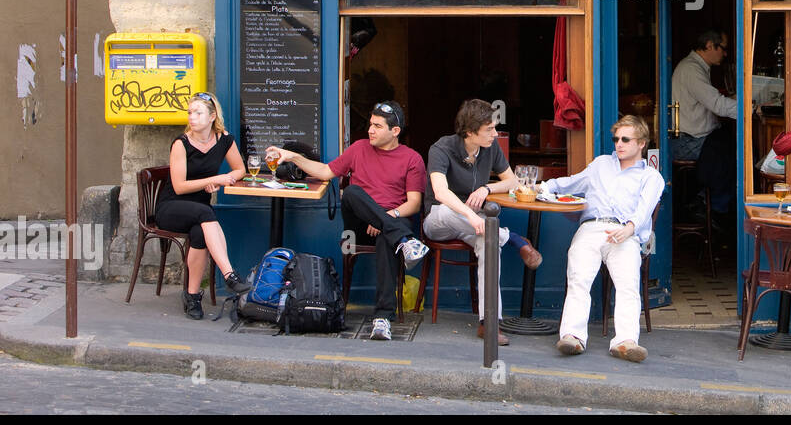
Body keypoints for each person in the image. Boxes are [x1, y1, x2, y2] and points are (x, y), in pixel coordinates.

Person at [267, 101, 429, 342]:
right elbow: (325, 172)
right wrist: (292, 156)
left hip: (394, 220)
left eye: (377, 126)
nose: (370, 130)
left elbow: (414, 204)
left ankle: (383, 318)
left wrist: (385, 218)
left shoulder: (412, 158)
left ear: (395, 131)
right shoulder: (359, 148)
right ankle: (406, 242)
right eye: (370, 124)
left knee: (387, 237)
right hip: (360, 225)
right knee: (352, 192)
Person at [423, 98, 542, 346]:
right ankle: (514, 238)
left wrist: (486, 188)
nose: (495, 134)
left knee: (489, 243)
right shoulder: (441, 148)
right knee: (447, 210)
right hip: (438, 221)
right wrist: (469, 215)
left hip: (473, 223)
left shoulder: (490, 147)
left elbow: (512, 182)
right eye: (489, 129)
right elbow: (441, 192)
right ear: (469, 132)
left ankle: (488, 323)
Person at [548, 115, 664, 363]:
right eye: (616, 139)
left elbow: (644, 210)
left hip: (624, 233)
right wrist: (541, 187)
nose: (618, 144)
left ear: (641, 143)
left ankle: (625, 341)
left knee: (628, 284)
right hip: (592, 228)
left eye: (625, 139)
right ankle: (572, 337)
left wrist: (630, 229)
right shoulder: (601, 164)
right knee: (579, 279)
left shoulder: (651, 177)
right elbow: (570, 184)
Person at [161, 93, 253, 320]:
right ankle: (230, 275)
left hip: (198, 212)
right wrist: (214, 180)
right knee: (207, 213)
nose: (192, 117)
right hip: (171, 207)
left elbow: (241, 170)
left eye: (198, 113)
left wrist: (226, 177)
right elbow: (180, 186)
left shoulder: (224, 139)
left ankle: (191, 296)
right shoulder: (181, 144)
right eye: (190, 113)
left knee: (200, 233)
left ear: (212, 116)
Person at [670, 30, 737, 218]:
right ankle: (712, 206)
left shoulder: (697, 67)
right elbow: (717, 105)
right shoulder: (691, 69)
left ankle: (712, 202)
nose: (725, 54)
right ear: (709, 45)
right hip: (688, 141)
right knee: (730, 155)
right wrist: (750, 110)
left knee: (729, 147)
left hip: (696, 136)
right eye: (723, 48)